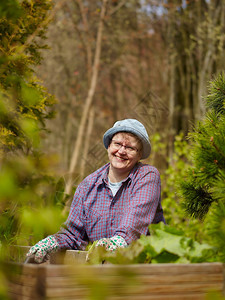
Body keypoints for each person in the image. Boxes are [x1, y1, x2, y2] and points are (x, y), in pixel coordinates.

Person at [27, 119, 165, 263]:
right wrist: (53, 242)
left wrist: (117, 242)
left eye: (130, 147)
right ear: (109, 145)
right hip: (101, 274)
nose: (122, 151)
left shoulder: (147, 176)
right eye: (117, 144)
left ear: (139, 154)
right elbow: (73, 234)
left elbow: (135, 221)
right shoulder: (87, 185)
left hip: (143, 269)